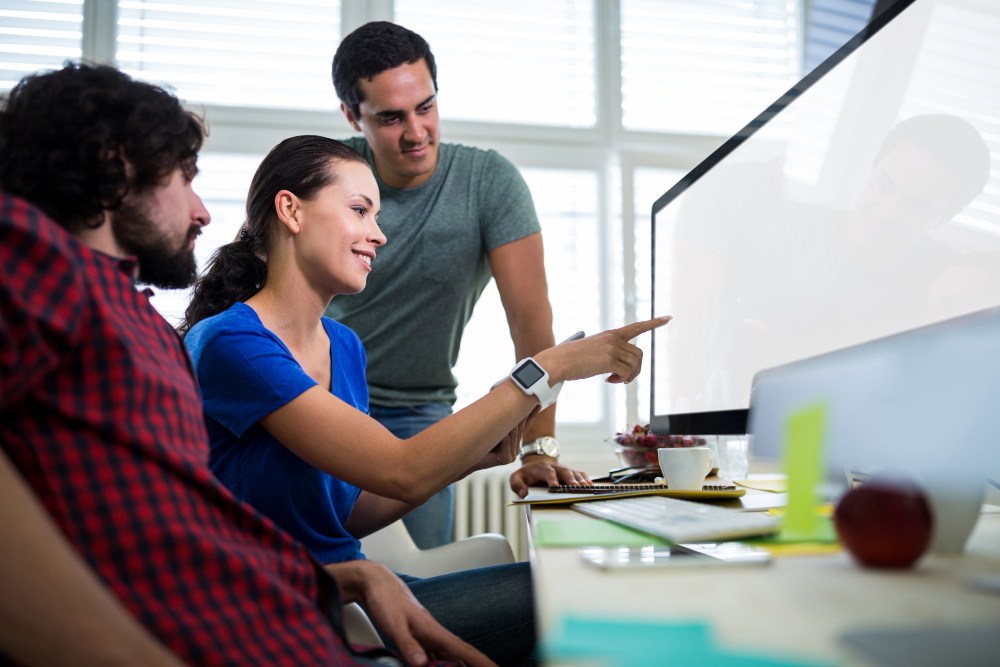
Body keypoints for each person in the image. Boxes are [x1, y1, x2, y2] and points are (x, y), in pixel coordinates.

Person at [0, 62, 492, 667]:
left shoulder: (138, 321)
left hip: (295, 608)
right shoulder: (38, 264)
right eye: (184, 176)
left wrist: (339, 580)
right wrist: (539, 374)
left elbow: (198, 539)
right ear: (111, 167)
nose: (204, 212)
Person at [178, 133, 668, 665]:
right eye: (360, 211)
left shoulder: (343, 346)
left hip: (359, 589)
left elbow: (349, 513)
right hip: (293, 606)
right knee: (578, 586)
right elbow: (400, 470)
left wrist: (477, 458)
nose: (379, 235)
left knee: (562, 603)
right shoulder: (232, 342)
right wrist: (551, 366)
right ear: (291, 210)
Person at [325, 21, 592, 548]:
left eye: (425, 107)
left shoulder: (488, 183)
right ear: (353, 117)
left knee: (423, 590)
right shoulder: (327, 176)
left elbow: (531, 323)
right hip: (327, 400)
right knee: (320, 570)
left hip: (422, 413)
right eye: (391, 117)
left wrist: (539, 447)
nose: (416, 132)